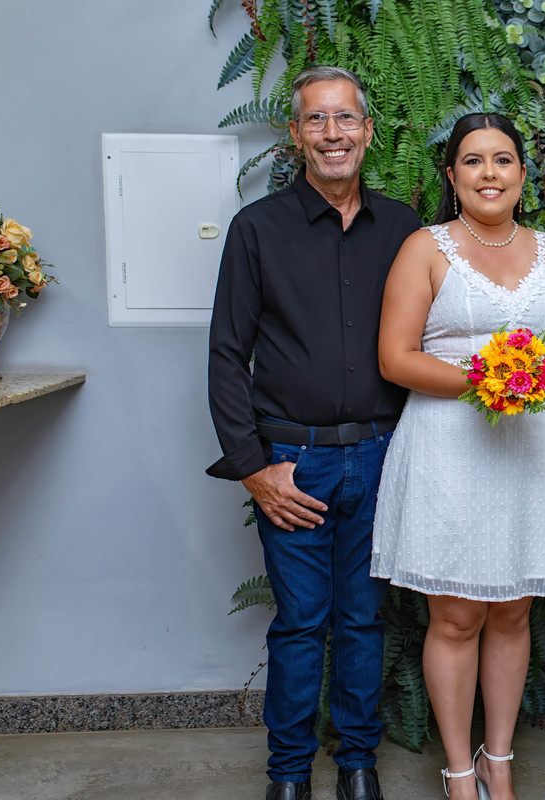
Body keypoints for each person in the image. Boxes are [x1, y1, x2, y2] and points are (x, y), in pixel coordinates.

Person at [207, 65, 420, 800]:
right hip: (291, 463)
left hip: (383, 455)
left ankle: (358, 764)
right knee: (300, 624)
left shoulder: (403, 229)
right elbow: (227, 355)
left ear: (368, 131)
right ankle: (289, 775)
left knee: (364, 620)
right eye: (317, 120)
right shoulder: (257, 230)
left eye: (346, 118)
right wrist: (253, 467)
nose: (333, 133)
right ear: (295, 135)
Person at [371, 112, 545, 800]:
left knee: (514, 612)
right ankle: (460, 771)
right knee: (457, 617)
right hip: (446, 448)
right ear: (453, 176)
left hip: (527, 448)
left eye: (502, 159)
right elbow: (395, 357)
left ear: (523, 174)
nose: (489, 173)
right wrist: (487, 379)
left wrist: (531, 381)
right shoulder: (425, 248)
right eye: (473, 160)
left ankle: (500, 760)